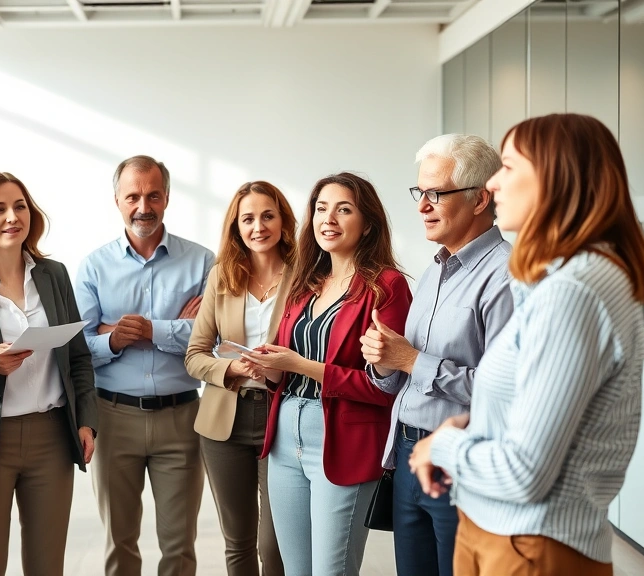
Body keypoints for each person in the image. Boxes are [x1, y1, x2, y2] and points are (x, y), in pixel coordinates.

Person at [410, 113, 644, 575]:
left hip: (530, 544)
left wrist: (441, 446)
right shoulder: (562, 280)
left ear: (554, 179)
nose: (493, 184)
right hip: (503, 531)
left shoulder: (574, 291)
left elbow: (524, 472)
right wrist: (468, 425)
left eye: (507, 167)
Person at [242, 172, 411, 576]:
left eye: (344, 209)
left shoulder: (386, 286)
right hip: (285, 435)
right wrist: (268, 368)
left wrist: (300, 365)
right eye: (321, 209)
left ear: (367, 223)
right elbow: (284, 367)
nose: (328, 219)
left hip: (341, 437)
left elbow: (385, 388)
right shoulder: (307, 284)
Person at [359, 134, 512, 576]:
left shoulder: (506, 277)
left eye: (435, 194)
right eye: (419, 192)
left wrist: (410, 360)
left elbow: (503, 392)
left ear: (480, 198)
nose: (422, 205)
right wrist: (386, 362)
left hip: (462, 461)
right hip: (407, 455)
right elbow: (401, 376)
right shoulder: (433, 271)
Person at [0, 172, 98, 576]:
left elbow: (78, 357)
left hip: (51, 435)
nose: (12, 216)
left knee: (48, 565)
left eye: (20, 206)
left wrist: (87, 422)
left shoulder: (54, 274)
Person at [74, 155, 214, 576]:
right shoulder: (94, 267)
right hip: (113, 417)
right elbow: (79, 346)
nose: (143, 206)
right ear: (117, 199)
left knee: (180, 545)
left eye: (153, 195)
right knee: (119, 543)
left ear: (167, 197)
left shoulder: (203, 262)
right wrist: (114, 340)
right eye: (133, 196)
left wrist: (152, 330)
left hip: (183, 417)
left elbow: (213, 340)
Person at [184, 181, 292, 576]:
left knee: (275, 543)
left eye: (267, 216)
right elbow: (194, 356)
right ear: (236, 226)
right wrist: (230, 368)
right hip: (223, 423)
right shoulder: (222, 277)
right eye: (248, 218)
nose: (258, 227)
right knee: (239, 541)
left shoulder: (305, 277)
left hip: (281, 418)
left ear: (283, 221)